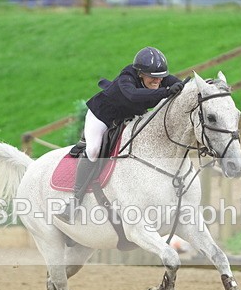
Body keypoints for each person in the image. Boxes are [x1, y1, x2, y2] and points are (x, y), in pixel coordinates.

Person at [57, 46, 184, 223]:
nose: (158, 80)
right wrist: (165, 92)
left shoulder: (159, 76)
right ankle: (75, 201)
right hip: (102, 116)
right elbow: (133, 95)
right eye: (153, 77)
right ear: (140, 73)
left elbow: (182, 85)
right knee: (94, 150)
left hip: (127, 118)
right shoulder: (127, 77)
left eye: (161, 77)